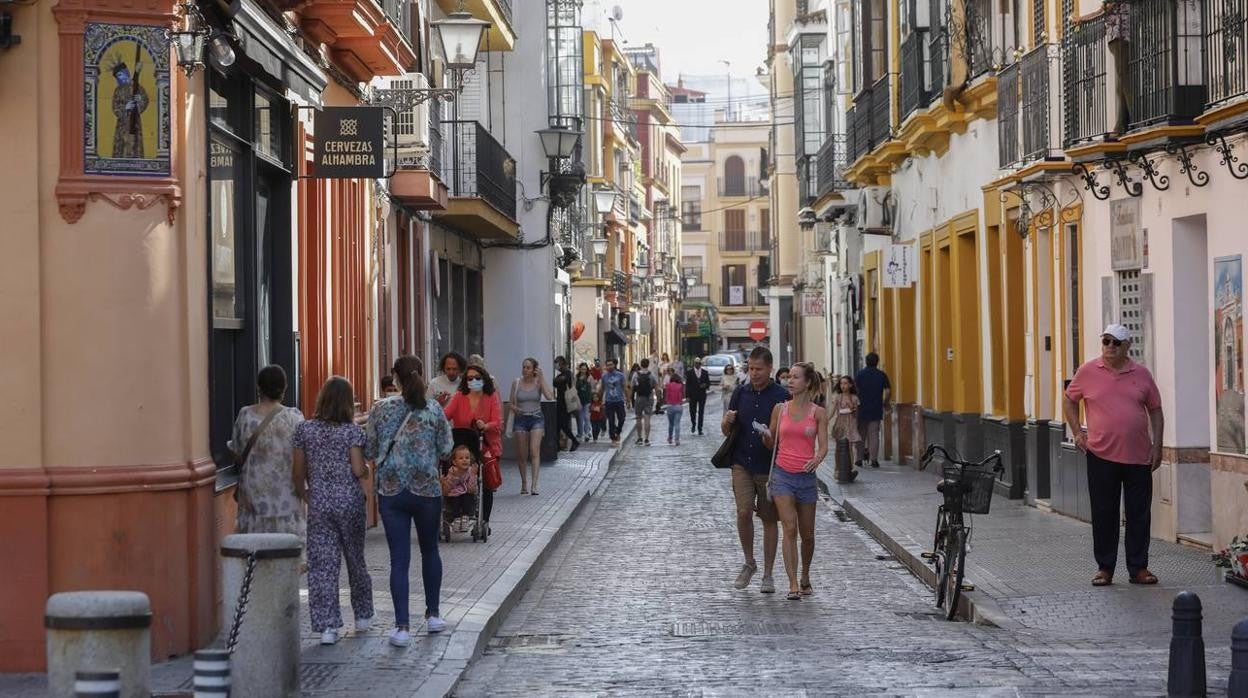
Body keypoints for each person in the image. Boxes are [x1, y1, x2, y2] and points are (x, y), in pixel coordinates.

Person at [1063, 324, 1164, 587]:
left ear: (1127, 346)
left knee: (1139, 514)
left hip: (1138, 456)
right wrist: (1077, 432)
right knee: (1104, 513)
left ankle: (1139, 568)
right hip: (1100, 455)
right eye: (1106, 341)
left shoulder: (1142, 374)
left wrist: (1158, 446)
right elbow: (1069, 399)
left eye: (1116, 343)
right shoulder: (1087, 371)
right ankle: (1105, 568)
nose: (1109, 346)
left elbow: (1155, 410)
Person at [365, 355, 454, 646]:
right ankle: (433, 616)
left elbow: (369, 450)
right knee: (430, 551)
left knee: (399, 560)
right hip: (426, 489)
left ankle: (401, 627)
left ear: (395, 378)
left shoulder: (380, 409)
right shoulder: (433, 409)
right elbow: (446, 449)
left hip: (391, 491)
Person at [293, 376, 373, 645]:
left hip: (320, 503)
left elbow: (298, 472)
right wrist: (367, 470)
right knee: (355, 560)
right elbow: (357, 470)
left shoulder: (305, 430)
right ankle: (362, 616)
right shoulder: (352, 432)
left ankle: (327, 627)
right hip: (349, 502)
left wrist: (306, 493)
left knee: (322, 566)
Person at [722, 346, 790, 594]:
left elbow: (788, 435)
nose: (754, 373)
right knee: (743, 512)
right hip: (741, 462)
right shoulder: (740, 393)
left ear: (770, 368)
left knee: (769, 519)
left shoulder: (782, 396)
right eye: (750, 368)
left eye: (758, 369)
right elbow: (726, 430)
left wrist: (772, 438)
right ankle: (749, 562)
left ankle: (769, 574)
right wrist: (727, 421)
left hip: (769, 466)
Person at [762, 363, 829, 600]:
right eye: (788, 377)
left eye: (795, 377)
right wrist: (766, 436)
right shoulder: (780, 410)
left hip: (807, 479)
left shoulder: (818, 413)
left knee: (807, 534)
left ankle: (805, 576)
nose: (790, 381)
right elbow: (771, 443)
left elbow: (823, 447)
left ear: (808, 382)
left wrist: (817, 460)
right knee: (789, 528)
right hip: (782, 475)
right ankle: (792, 584)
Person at [231, 365, 305, 537]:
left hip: (253, 504)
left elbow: (236, 451)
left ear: (259, 387)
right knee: (287, 557)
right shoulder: (295, 418)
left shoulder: (245, 416)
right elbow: (303, 458)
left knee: (254, 556)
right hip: (286, 504)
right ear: (284, 388)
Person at [443, 364, 502, 536]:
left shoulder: (491, 397)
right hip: (462, 446)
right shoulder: (459, 396)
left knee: (486, 484)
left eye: (477, 377)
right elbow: (445, 415)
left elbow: (498, 421)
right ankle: (454, 514)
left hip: (485, 445)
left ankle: (484, 520)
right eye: (470, 378)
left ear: (483, 379)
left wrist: (487, 425)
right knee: (453, 476)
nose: (474, 381)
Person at [509, 358, 553, 495]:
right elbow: (510, 403)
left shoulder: (538, 382)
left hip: (536, 418)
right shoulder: (516, 383)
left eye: (528, 367)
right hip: (520, 419)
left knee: (534, 451)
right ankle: (524, 483)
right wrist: (516, 409)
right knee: (522, 454)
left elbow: (550, 396)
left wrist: (542, 378)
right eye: (524, 367)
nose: (525, 370)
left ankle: (534, 485)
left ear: (534, 369)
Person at [854, 353, 892, 469]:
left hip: (862, 408)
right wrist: (885, 402)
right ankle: (874, 459)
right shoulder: (881, 375)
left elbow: (854, 390)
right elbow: (888, 390)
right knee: (874, 434)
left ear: (866, 361)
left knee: (861, 434)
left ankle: (859, 459)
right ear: (877, 362)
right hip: (876, 408)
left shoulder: (860, 375)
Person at [830, 376, 861, 483]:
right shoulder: (838, 397)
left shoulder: (854, 398)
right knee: (838, 447)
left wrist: (852, 406)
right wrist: (825, 420)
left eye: (846, 383)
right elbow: (833, 411)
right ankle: (837, 469)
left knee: (850, 446)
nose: (843, 386)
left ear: (851, 385)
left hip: (851, 424)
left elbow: (856, 413)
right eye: (842, 384)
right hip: (840, 424)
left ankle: (850, 468)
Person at [440, 445, 478, 532]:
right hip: (454, 494)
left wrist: (472, 475)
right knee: (454, 498)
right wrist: (455, 477)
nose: (464, 460)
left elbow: (472, 489)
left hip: (467, 493)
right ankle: (456, 518)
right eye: (461, 458)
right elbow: (448, 488)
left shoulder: (470, 471)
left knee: (469, 496)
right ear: (454, 462)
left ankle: (465, 517)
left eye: (467, 458)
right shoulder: (452, 471)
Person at [551, 357, 581, 453]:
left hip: (566, 403)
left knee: (563, 424)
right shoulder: (562, 374)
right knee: (558, 425)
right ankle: (558, 446)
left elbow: (556, 382)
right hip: (560, 402)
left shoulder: (567, 373)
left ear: (562, 363)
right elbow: (555, 382)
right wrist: (556, 379)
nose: (556, 365)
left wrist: (556, 379)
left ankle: (574, 440)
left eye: (557, 363)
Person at [600, 358, 628, 446]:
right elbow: (602, 388)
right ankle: (613, 438)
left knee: (622, 418)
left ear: (614, 365)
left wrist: (628, 398)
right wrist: (600, 400)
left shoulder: (620, 375)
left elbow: (624, 387)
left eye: (611, 364)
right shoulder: (604, 376)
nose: (609, 366)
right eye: (607, 365)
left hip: (619, 400)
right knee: (611, 421)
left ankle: (618, 431)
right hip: (609, 401)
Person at [631, 358, 658, 446]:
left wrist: (629, 398)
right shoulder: (651, 375)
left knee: (638, 418)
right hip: (649, 397)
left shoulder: (636, 374)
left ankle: (639, 438)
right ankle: (646, 439)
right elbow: (656, 387)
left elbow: (632, 387)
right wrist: (658, 398)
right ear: (648, 365)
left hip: (639, 397)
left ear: (641, 365)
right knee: (647, 418)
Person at [685, 358, 711, 436]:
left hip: (702, 395)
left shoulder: (705, 372)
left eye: (699, 363)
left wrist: (705, 385)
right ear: (694, 363)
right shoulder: (690, 372)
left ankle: (700, 428)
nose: (697, 365)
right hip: (692, 395)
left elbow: (708, 383)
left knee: (701, 412)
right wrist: (687, 396)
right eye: (696, 363)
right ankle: (693, 424)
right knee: (692, 411)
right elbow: (687, 385)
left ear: (701, 364)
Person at [663, 369, 686, 446]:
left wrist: (668, 401)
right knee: (677, 424)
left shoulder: (668, 385)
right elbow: (683, 396)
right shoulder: (680, 386)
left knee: (671, 424)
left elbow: (666, 397)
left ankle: (670, 438)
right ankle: (677, 440)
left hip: (670, 406)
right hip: (679, 406)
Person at [575, 363, 595, 440]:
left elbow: (593, 388)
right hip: (578, 399)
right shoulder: (577, 377)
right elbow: (574, 388)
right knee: (580, 417)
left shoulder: (589, 377)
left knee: (586, 417)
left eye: (585, 369)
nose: (583, 371)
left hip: (587, 400)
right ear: (580, 369)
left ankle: (587, 433)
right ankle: (580, 433)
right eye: (582, 369)